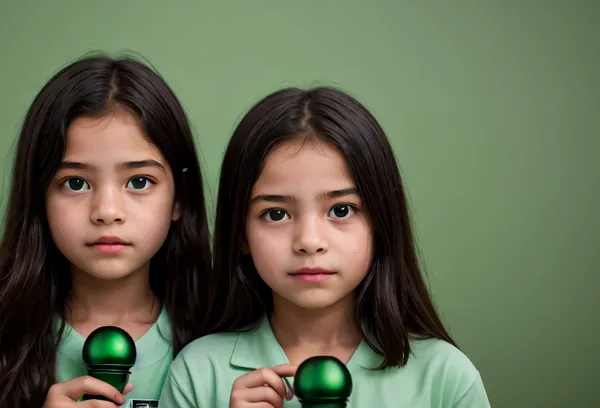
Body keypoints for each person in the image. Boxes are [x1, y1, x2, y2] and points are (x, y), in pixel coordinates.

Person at [160, 86, 491, 407]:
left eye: (341, 210)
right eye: (276, 214)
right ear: (241, 232)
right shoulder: (197, 374)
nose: (309, 242)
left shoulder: (445, 376)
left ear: (381, 223)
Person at [0, 54, 213, 408]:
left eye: (139, 181)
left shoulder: (221, 343)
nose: (107, 212)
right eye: (76, 183)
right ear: (39, 195)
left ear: (180, 198)